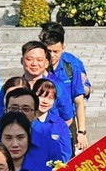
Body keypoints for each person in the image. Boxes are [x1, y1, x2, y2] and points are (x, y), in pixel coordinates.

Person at [39, 23, 90, 151]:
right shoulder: (37, 66)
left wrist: (81, 131)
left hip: (66, 121)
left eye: (55, 51)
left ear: (63, 47)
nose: (52, 55)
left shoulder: (72, 65)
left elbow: (81, 98)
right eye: (48, 51)